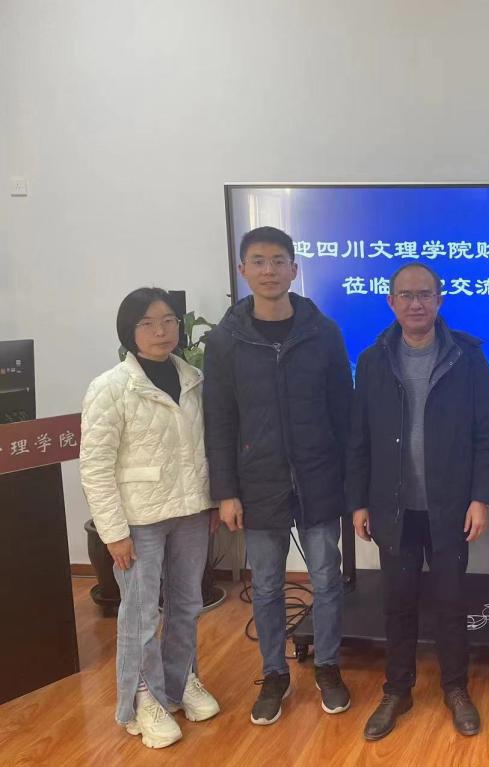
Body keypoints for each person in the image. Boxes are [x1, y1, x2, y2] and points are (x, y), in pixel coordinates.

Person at [203, 226, 353, 725]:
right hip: (257, 480)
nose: (269, 270)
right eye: (258, 261)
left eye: (278, 261)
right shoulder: (225, 341)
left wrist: (350, 481)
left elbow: (344, 412)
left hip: (318, 476)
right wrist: (226, 491)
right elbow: (219, 421)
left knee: (326, 579)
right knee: (266, 584)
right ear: (243, 270)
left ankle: (327, 666)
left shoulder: (322, 332)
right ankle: (274, 674)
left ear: (294, 268)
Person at [348, 262, 489, 741]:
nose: (416, 304)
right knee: (398, 603)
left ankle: (456, 688)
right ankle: (398, 690)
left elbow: (488, 433)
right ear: (391, 302)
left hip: (450, 506)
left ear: (439, 299)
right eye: (406, 295)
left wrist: (481, 498)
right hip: (393, 506)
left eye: (424, 294)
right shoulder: (373, 360)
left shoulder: (467, 357)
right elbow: (358, 437)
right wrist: (359, 502)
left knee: (451, 603)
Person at [80, 287, 221, 749]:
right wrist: (113, 532)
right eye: (148, 323)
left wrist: (211, 502)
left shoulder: (194, 378)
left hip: (190, 511)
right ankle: (143, 698)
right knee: (140, 615)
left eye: (168, 321)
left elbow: (205, 448)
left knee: (187, 604)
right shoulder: (110, 387)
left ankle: (180, 681)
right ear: (129, 331)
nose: (161, 331)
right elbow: (95, 466)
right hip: (139, 520)